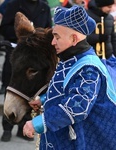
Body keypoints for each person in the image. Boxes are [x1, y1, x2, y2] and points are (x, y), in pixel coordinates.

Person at [23, 5, 116, 149]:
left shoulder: (88, 68)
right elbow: (66, 90)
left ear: (74, 39)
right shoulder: (72, 57)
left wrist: (37, 124)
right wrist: (43, 100)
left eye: (57, 37)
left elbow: (77, 107)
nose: (53, 42)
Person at [0, 0, 52, 142]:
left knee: (31, 92)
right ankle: (7, 129)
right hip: (20, 56)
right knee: (13, 88)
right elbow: (4, 27)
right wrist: (27, 35)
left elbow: (49, 29)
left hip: (35, 59)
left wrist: (38, 37)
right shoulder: (15, 4)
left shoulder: (44, 7)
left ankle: (24, 127)